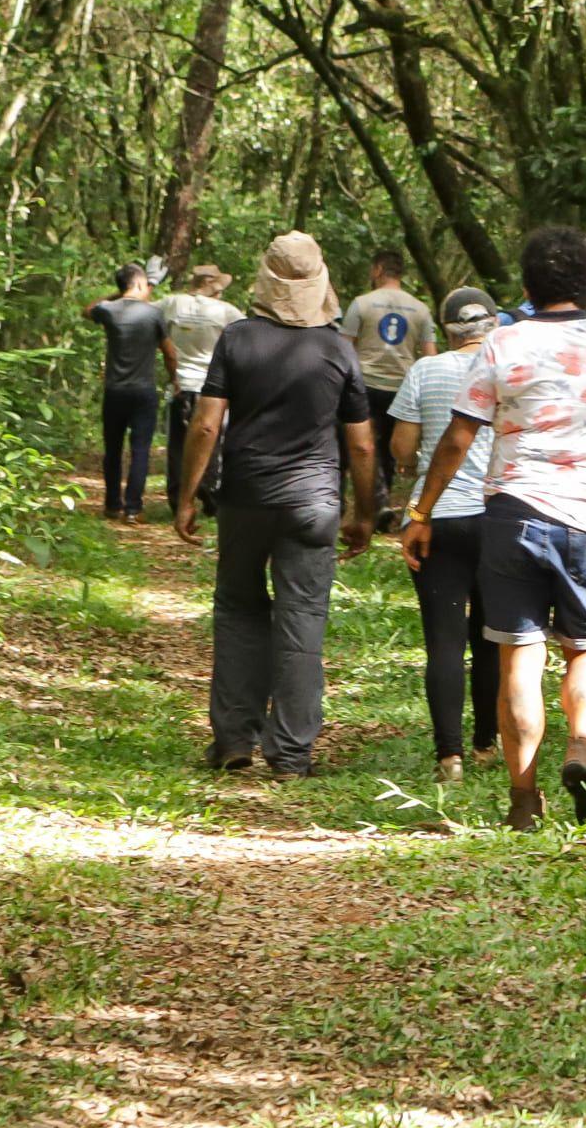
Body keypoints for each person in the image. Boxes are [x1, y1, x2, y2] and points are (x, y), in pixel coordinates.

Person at [405, 226, 586, 831]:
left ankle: (524, 800)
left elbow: (459, 435)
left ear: (527, 285)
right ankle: (584, 746)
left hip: (515, 512)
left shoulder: (501, 345)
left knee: (519, 657)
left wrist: (421, 511)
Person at [173, 232, 377, 779]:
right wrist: (363, 512)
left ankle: (236, 738)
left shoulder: (238, 339)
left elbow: (207, 422)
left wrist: (186, 496)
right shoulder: (338, 348)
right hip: (314, 505)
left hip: (245, 499)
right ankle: (290, 754)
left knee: (239, 611)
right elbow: (360, 441)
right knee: (303, 618)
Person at [388, 286, 505, 783]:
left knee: (443, 640)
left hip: (438, 519)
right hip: (500, 516)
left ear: (448, 330)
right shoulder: (510, 368)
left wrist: (412, 483)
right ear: (494, 324)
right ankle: (485, 743)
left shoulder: (424, 371)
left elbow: (403, 446)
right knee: (492, 638)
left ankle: (449, 757)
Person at [84, 265, 174, 522]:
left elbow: (87, 310)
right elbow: (169, 352)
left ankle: (112, 504)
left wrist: (116, 295)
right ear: (138, 284)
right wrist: (174, 378)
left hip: (114, 391)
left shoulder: (108, 310)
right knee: (140, 450)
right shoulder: (154, 314)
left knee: (112, 450)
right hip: (143, 391)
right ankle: (133, 509)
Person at [161, 263, 245, 516]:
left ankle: (177, 499)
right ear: (216, 288)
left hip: (180, 385)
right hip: (212, 388)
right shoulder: (226, 312)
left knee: (178, 445)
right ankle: (210, 498)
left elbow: (145, 316)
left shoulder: (172, 304)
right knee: (212, 442)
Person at [343, 251, 433, 408]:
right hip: (404, 388)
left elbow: (343, 349)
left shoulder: (361, 303)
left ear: (378, 269)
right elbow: (430, 357)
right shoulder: (421, 309)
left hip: (364, 384)